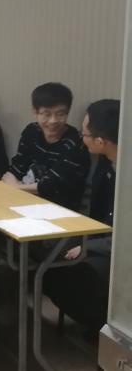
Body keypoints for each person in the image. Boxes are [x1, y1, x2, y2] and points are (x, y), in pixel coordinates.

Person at [43, 99, 119, 335]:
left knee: (61, 274)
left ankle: (105, 330)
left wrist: (88, 246)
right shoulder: (106, 163)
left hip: (118, 252)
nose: (80, 138)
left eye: (84, 133)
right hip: (101, 235)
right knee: (47, 252)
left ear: (100, 141)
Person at [2, 82, 90, 211]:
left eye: (60, 114)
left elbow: (51, 185)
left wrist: (16, 187)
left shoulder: (75, 143)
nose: (53, 120)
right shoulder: (31, 131)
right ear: (35, 112)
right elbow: (17, 168)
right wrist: (12, 183)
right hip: (24, 200)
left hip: (59, 209)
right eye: (46, 114)